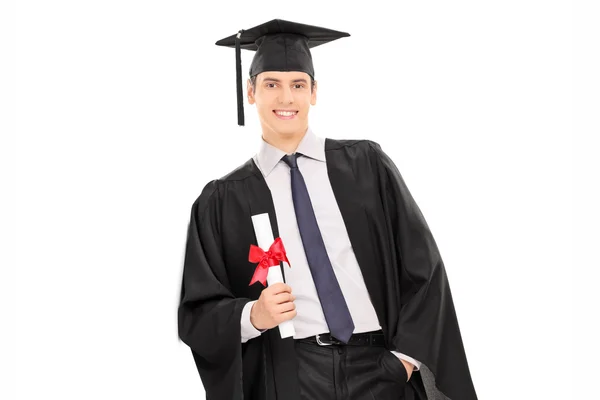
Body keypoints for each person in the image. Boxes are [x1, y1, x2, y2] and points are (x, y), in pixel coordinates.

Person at [178, 19, 478, 400]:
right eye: (271, 84)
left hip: (380, 368)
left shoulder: (367, 165)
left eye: (298, 85)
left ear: (314, 92)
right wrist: (253, 316)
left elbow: (424, 269)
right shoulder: (223, 200)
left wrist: (403, 361)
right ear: (250, 92)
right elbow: (196, 315)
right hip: (293, 377)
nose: (286, 98)